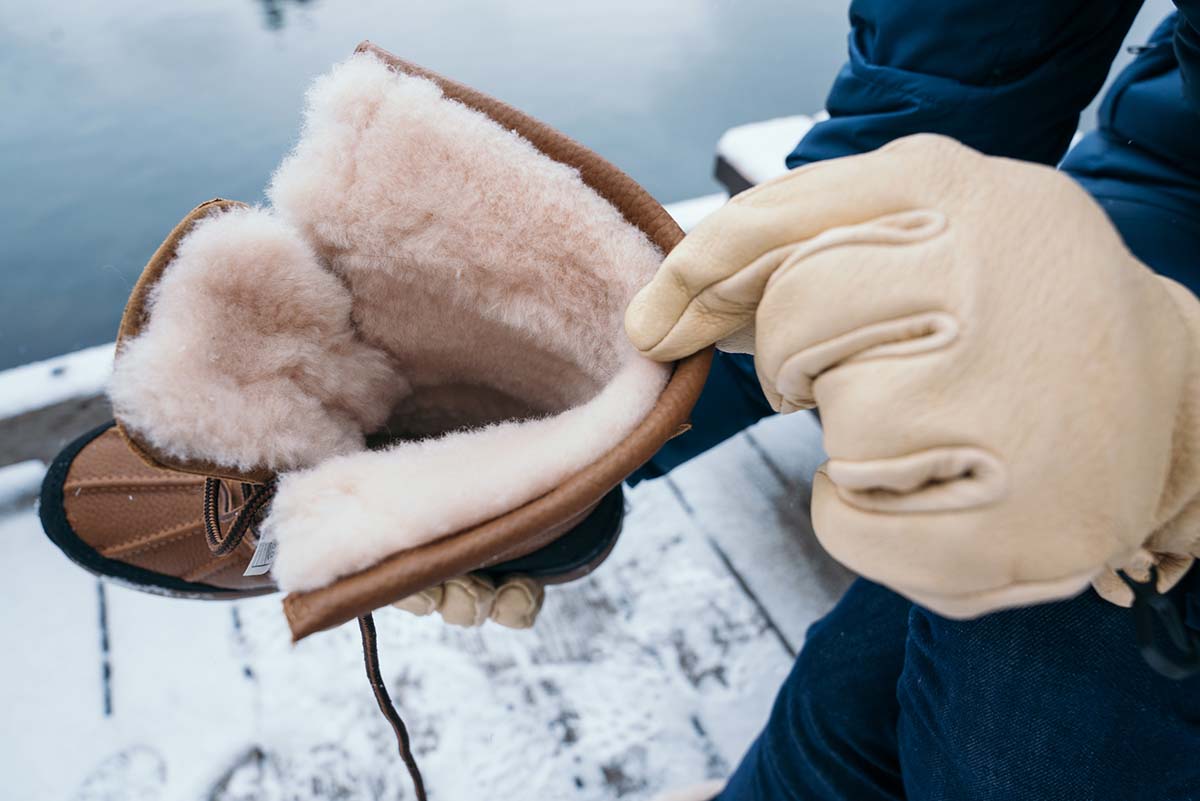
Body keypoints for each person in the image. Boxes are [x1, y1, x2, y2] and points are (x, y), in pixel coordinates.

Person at [625, 2, 1200, 799]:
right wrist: (591, 453)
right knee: (834, 717)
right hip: (1165, 182)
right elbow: (944, 86)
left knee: (1019, 725)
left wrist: (1181, 422)